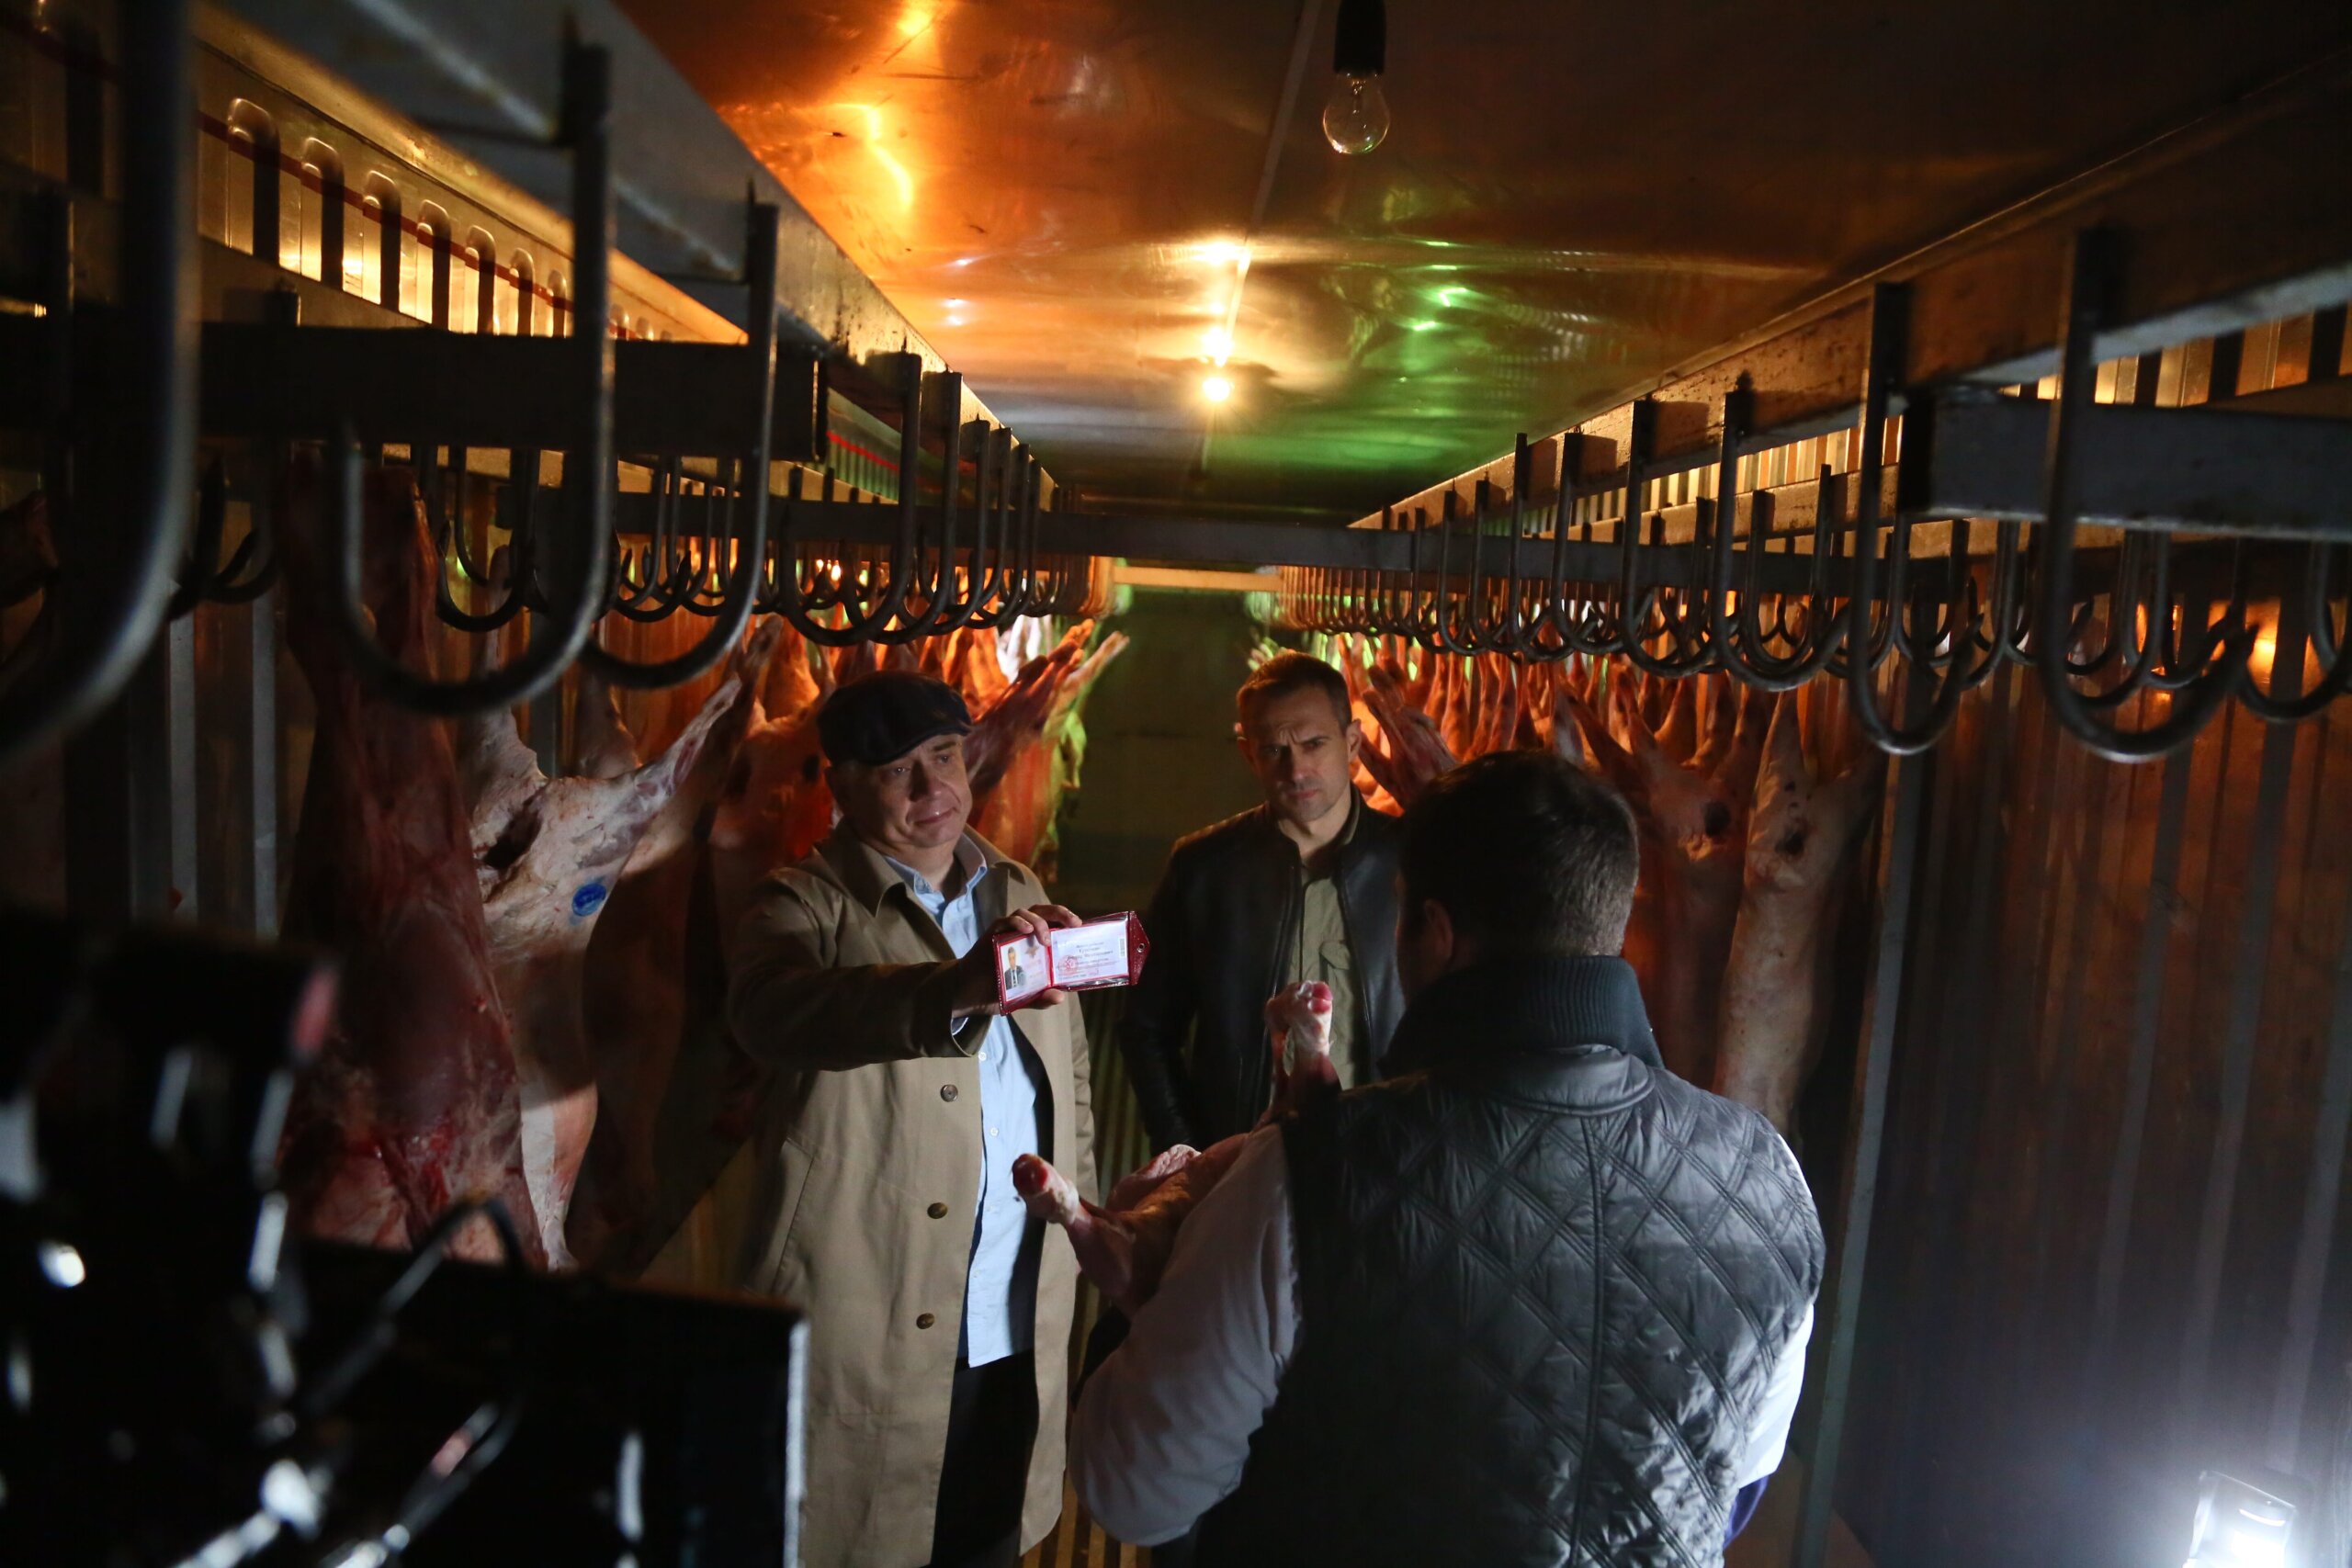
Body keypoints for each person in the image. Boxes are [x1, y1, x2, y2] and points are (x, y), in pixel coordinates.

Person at [1070, 750, 1826, 1566]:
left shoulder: (1306, 1175)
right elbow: (1731, 1489)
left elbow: (1134, 1489)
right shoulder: (1768, 1174)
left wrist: (1144, 1298)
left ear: (1434, 934)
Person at [726, 670, 1096, 1568]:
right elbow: (777, 1012)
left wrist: (1087, 1221)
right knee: (855, 1538)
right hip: (876, 1316)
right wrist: (955, 988)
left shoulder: (1016, 889)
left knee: (985, 1538)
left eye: (944, 756)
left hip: (1016, 1308)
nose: (934, 788)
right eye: (898, 770)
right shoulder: (799, 904)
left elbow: (1071, 1082)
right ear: (843, 785)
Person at [1118, 651, 1404, 1153]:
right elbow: (1147, 1029)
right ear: (1248, 754)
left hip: (1382, 1158)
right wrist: (1188, 1153)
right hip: (1242, 1160)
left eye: (1313, 744)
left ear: (1353, 742)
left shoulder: (1411, 858)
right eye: (1274, 750)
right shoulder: (1204, 868)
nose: (1296, 769)